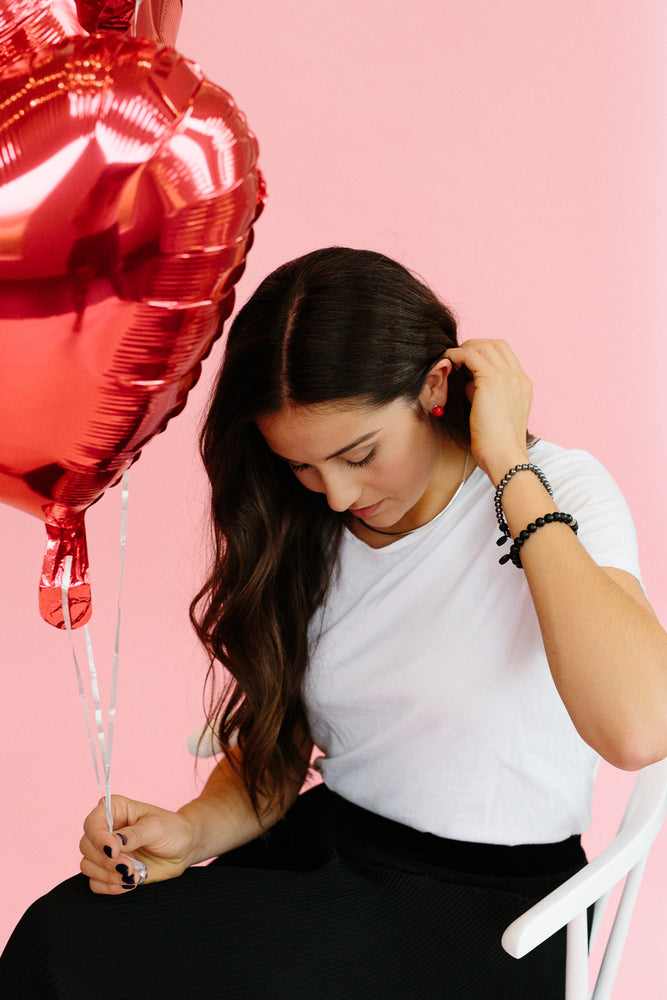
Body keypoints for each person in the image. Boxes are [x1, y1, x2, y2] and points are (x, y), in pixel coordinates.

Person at [2, 247, 666, 999]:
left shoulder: (558, 486)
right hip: (328, 855)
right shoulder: (301, 526)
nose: (338, 494)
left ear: (437, 387)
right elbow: (279, 748)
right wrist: (191, 831)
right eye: (302, 466)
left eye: (359, 453)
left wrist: (507, 462)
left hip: (486, 914)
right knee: (66, 933)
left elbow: (638, 726)